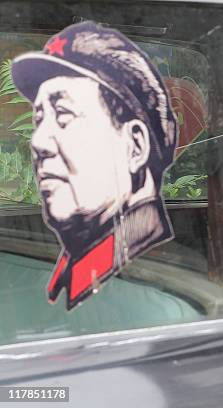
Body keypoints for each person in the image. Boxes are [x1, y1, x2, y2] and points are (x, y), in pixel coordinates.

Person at [11, 21, 178, 310]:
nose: (38, 141)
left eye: (63, 114)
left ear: (135, 147)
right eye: (39, 119)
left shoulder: (146, 292)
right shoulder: (80, 272)